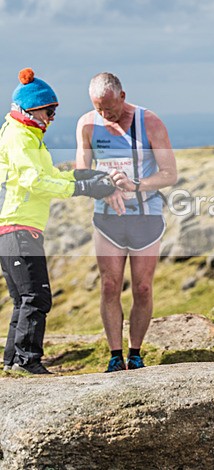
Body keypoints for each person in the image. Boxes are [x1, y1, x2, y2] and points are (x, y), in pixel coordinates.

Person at [1, 68, 116, 375]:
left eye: (55, 112)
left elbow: (49, 176)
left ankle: (13, 362)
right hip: (17, 227)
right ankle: (27, 361)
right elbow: (34, 181)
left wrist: (80, 176)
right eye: (49, 111)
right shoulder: (20, 136)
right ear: (30, 108)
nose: (52, 118)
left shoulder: (29, 136)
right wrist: (81, 188)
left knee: (23, 299)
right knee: (35, 296)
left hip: (19, 227)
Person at [76, 73, 177, 373]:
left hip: (146, 216)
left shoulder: (150, 122)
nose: (105, 114)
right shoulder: (87, 124)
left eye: (110, 107)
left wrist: (135, 184)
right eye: (99, 108)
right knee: (109, 285)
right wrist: (103, 190)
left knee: (143, 288)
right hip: (107, 218)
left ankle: (135, 352)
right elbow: (82, 172)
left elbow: (170, 174)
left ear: (122, 96)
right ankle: (113, 355)